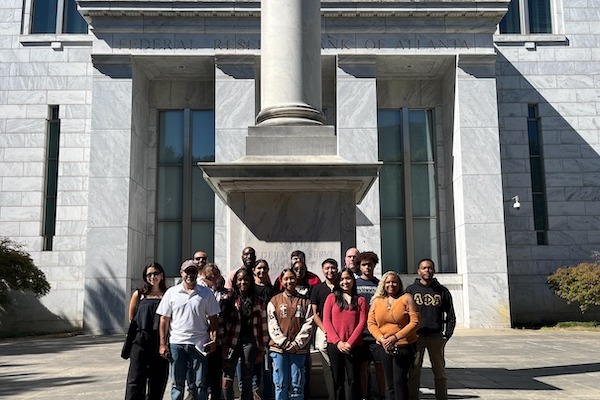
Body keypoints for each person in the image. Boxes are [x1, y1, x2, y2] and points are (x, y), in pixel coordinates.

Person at [157, 260, 221, 400]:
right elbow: (164, 319)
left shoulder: (206, 293)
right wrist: (162, 344)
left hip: (199, 344)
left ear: (197, 273)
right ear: (181, 273)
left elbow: (214, 318)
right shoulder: (171, 293)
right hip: (176, 343)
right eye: (187, 271)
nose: (190, 275)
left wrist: (214, 340)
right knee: (177, 383)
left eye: (193, 271)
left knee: (199, 384)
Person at [406, 259, 456, 400]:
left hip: (436, 337)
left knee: (439, 372)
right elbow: (403, 314)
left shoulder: (442, 291)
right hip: (416, 337)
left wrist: (447, 334)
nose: (427, 270)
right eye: (424, 268)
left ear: (433, 270)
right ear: (419, 271)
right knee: (414, 371)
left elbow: (451, 315)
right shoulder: (410, 290)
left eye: (430, 268)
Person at [368, 272, 419, 400]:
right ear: (383, 284)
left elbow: (415, 322)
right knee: (389, 384)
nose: (391, 285)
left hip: (403, 346)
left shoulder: (407, 298)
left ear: (399, 284)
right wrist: (381, 339)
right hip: (384, 346)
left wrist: (395, 337)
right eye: (388, 282)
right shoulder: (377, 301)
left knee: (399, 382)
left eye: (394, 282)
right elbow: (371, 322)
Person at [221, 268, 269, 400]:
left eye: (246, 279)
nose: (243, 282)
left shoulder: (258, 301)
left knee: (247, 379)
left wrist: (262, 349)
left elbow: (263, 326)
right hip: (231, 342)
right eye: (240, 279)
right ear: (235, 281)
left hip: (250, 342)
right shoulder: (228, 298)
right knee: (226, 380)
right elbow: (221, 323)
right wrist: (222, 343)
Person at [267, 268, 314, 400]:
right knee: (281, 384)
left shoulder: (305, 301)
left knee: (297, 384)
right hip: (279, 349)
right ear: (281, 281)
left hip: (298, 350)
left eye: (292, 278)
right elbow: (272, 324)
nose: (289, 281)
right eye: (286, 279)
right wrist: (284, 342)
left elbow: (308, 323)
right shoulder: (274, 301)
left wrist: (296, 343)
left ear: (296, 279)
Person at [125, 262, 169, 400]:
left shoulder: (168, 294)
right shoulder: (139, 294)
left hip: (160, 340)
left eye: (155, 273)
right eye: (149, 274)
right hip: (141, 341)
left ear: (161, 275)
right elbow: (132, 318)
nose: (152, 277)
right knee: (136, 379)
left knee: (158, 380)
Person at [322, 267, 368, 400]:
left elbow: (362, 323)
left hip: (353, 346)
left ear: (353, 280)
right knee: (338, 380)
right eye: (341, 279)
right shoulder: (331, 298)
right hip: (335, 345)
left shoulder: (360, 301)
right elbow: (326, 321)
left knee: (353, 379)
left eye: (348, 278)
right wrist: (338, 342)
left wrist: (349, 343)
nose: (345, 282)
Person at [354, 252, 385, 400]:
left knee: (380, 366)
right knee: (362, 366)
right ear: (359, 266)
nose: (367, 267)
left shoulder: (380, 285)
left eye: (370, 264)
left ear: (374, 265)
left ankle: (382, 395)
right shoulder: (355, 285)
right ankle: (364, 395)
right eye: (364, 264)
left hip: (376, 333)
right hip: (360, 334)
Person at [310, 258, 339, 400]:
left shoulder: (342, 286)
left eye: (333, 268)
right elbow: (314, 313)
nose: (330, 271)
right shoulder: (318, 289)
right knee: (322, 350)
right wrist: (325, 330)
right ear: (322, 270)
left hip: (340, 329)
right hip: (324, 328)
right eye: (327, 268)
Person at [202, 264, 231, 400]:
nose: (213, 279)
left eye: (215, 275)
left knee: (215, 375)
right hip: (201, 339)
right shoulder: (199, 292)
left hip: (218, 339)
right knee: (200, 377)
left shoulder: (224, 294)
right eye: (209, 276)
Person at [253, 259, 276, 400]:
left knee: (268, 369)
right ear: (254, 270)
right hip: (254, 334)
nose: (262, 271)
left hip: (269, 333)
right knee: (254, 368)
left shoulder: (272, 290)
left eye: (264, 268)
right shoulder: (250, 289)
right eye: (259, 268)